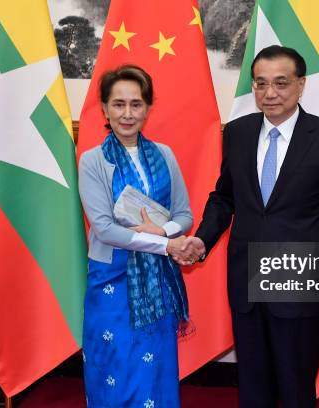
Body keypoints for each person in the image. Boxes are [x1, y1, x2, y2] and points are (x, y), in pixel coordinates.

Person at [182, 46, 319, 407]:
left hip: (299, 282)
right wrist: (202, 239)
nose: (270, 93)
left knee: (295, 387)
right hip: (246, 281)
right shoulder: (238, 133)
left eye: (280, 83)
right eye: (260, 84)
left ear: (301, 84)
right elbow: (224, 196)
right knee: (253, 387)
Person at [78, 65, 193, 407]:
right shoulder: (92, 161)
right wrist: (166, 244)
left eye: (136, 104)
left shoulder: (165, 155)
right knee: (113, 366)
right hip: (111, 279)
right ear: (104, 108)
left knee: (155, 370)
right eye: (118, 104)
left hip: (157, 282)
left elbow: (184, 215)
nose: (127, 114)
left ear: (147, 108)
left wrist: (163, 231)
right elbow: (105, 229)